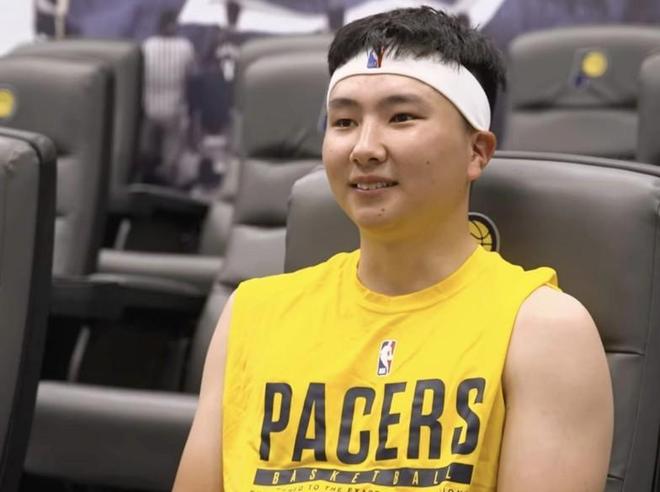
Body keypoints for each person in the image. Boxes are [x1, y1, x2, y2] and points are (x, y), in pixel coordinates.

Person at [174, 7, 613, 491]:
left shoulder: (542, 332)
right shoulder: (251, 315)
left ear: (477, 151)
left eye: (401, 117)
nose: (364, 148)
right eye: (344, 121)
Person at [141, 9, 195, 185]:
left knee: (149, 153)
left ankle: (149, 181)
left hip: (149, 108)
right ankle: (166, 184)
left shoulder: (147, 46)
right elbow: (190, 77)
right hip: (174, 109)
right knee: (170, 156)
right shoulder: (185, 47)